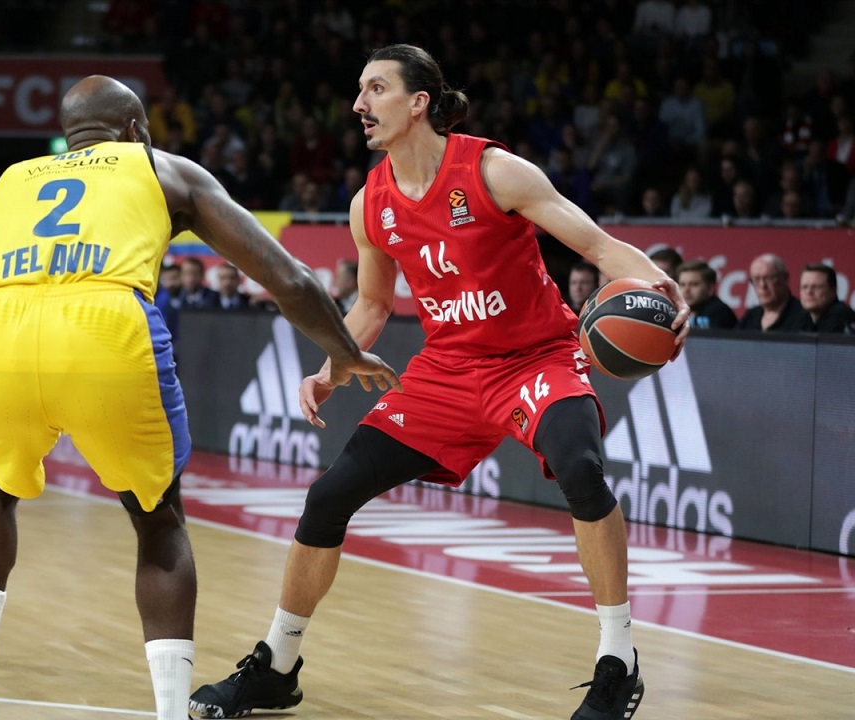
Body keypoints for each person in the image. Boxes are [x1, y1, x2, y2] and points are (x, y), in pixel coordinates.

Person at [189, 44, 689, 720]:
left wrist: (662, 289)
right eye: (359, 90)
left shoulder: (494, 171)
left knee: (581, 468)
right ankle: (277, 665)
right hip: (447, 371)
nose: (359, 104)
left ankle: (617, 660)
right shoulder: (370, 204)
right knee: (329, 496)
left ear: (419, 101)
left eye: (376, 89)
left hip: (535, 358)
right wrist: (332, 367)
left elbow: (598, 247)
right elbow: (371, 305)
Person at [0, 75, 401, 720]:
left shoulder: (4, 188)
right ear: (134, 131)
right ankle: (167, 711)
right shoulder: (162, 170)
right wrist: (344, 352)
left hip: (1, 335)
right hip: (105, 331)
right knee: (158, 518)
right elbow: (290, 278)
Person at [738, 253, 811, 332]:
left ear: (785, 278)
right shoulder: (750, 317)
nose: (762, 285)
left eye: (769, 278)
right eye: (756, 279)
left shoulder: (804, 316)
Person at [675, 260, 738, 329]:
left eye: (694, 284)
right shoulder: (675, 310)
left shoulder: (720, 313)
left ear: (709, 288)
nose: (686, 290)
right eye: (682, 284)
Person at [798, 263, 855, 333]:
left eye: (816, 287)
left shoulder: (840, 315)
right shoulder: (802, 317)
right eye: (804, 287)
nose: (809, 292)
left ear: (833, 290)